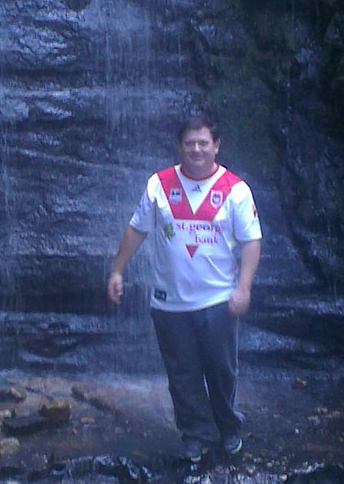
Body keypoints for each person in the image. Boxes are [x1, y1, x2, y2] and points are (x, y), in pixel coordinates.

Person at [107, 114, 261, 463]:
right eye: (190, 143)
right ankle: (195, 434)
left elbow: (251, 241)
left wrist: (244, 287)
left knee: (221, 371)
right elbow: (136, 230)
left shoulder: (234, 190)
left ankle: (228, 428)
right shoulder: (159, 185)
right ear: (180, 146)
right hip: (169, 301)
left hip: (218, 299)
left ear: (216, 146)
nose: (196, 149)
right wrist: (118, 270)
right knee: (182, 374)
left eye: (203, 143)